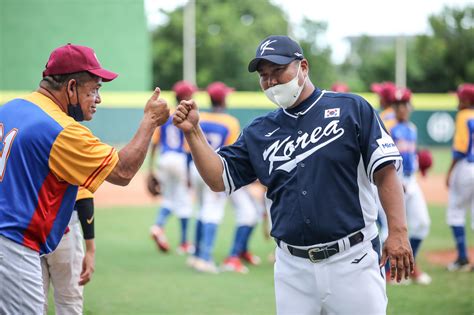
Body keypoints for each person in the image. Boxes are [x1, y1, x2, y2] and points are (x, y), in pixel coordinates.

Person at [173, 35, 414, 314]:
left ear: (303, 67)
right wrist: (193, 133)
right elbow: (219, 179)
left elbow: (385, 172)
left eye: (278, 71)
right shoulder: (258, 131)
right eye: (264, 75)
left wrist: (397, 232)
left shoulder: (352, 109)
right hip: (292, 267)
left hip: (353, 260)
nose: (271, 81)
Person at [0, 43, 169, 314]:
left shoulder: (11, 107)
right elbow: (123, 171)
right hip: (14, 244)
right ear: (71, 87)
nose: (98, 99)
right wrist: (150, 120)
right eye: (94, 89)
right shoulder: (62, 130)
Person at [187, 81, 242, 274]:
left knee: (201, 209)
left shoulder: (199, 117)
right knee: (213, 212)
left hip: (195, 167)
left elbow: (189, 149)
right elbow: (231, 152)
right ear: (224, 99)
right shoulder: (230, 121)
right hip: (214, 169)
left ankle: (195, 255)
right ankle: (205, 258)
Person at [149, 80, 196, 254]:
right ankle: (184, 243)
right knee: (184, 201)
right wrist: (190, 174)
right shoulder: (186, 115)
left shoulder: (165, 115)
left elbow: (154, 144)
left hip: (164, 158)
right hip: (179, 159)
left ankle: (158, 226)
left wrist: (151, 168)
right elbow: (190, 148)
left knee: (169, 198)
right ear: (185, 97)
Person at [390, 87, 432, 285]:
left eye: (403, 104)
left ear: (410, 107)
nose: (400, 109)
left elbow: (410, 156)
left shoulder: (412, 129)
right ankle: (390, 272)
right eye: (397, 105)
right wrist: (395, 181)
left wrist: (419, 163)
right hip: (393, 183)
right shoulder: (388, 127)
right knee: (391, 229)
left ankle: (409, 265)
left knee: (422, 223)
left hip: (411, 181)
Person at [41, 187, 96, 314]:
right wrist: (90, 249)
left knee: (32, 303)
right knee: (69, 303)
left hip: (26, 232)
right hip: (64, 231)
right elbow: (83, 195)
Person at [445, 83, 474, 272]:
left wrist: (449, 172)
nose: (458, 100)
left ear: (466, 100)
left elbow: (460, 149)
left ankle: (462, 258)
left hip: (466, 167)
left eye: (460, 97)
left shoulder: (464, 116)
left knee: (455, 211)